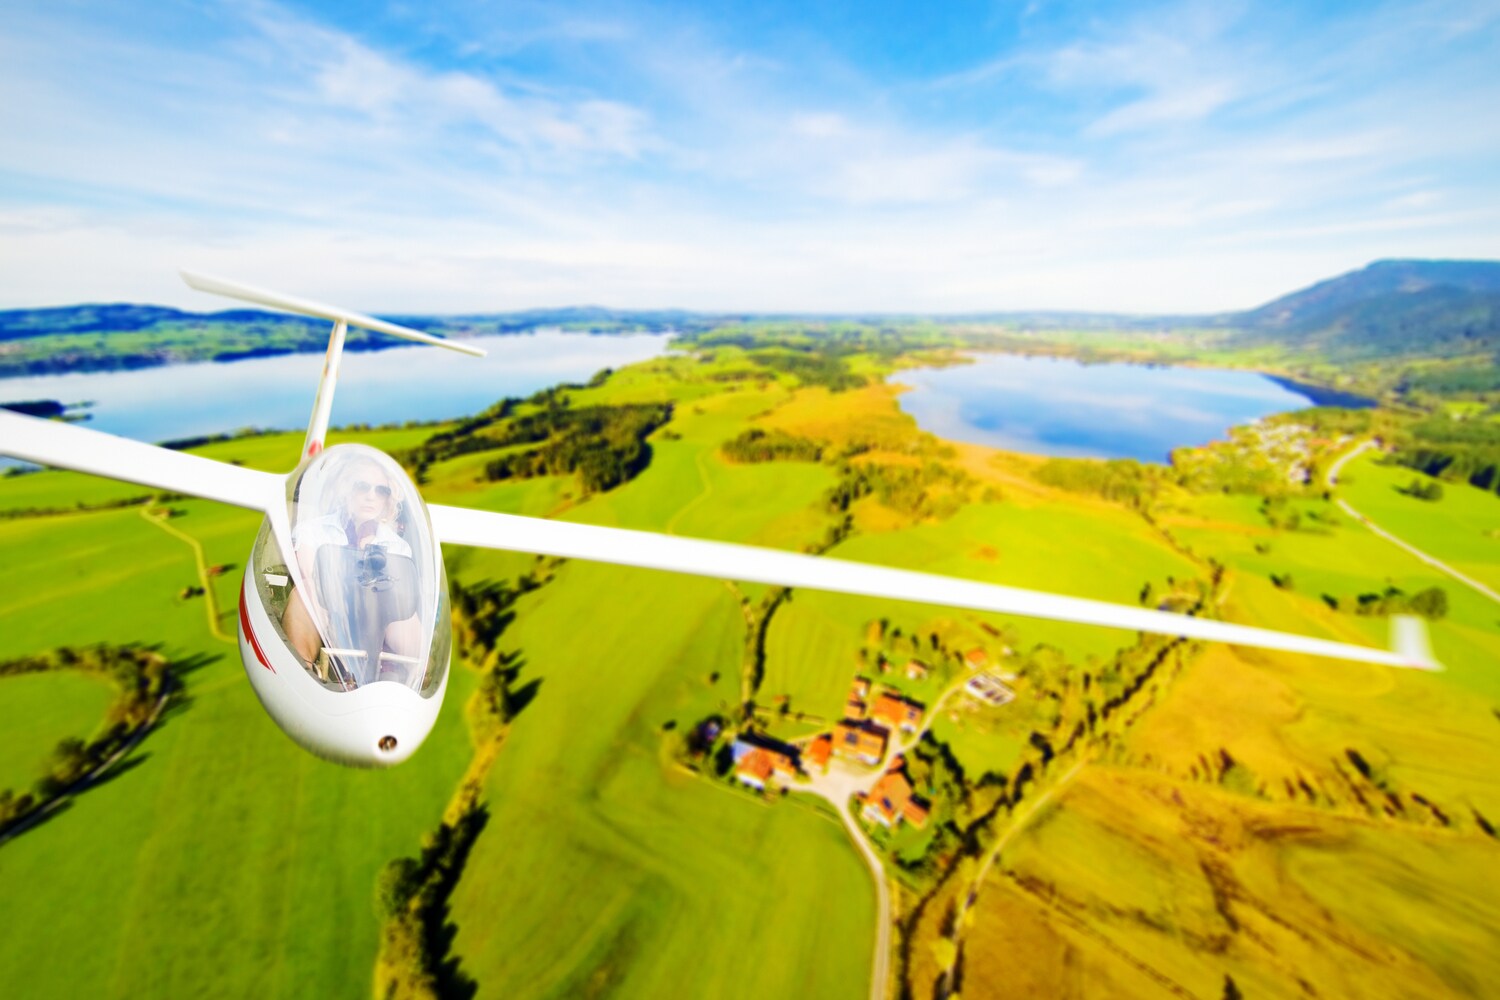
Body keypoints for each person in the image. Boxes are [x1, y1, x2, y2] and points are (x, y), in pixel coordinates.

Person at [282, 454, 423, 687]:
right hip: (330, 610)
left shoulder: (397, 547)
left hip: (378, 618)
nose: (371, 496)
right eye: (362, 487)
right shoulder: (314, 530)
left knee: (404, 612)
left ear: (388, 499)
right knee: (306, 590)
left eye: (381, 491)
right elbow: (309, 576)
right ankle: (302, 670)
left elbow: (402, 599)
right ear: (347, 491)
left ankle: (418, 676)